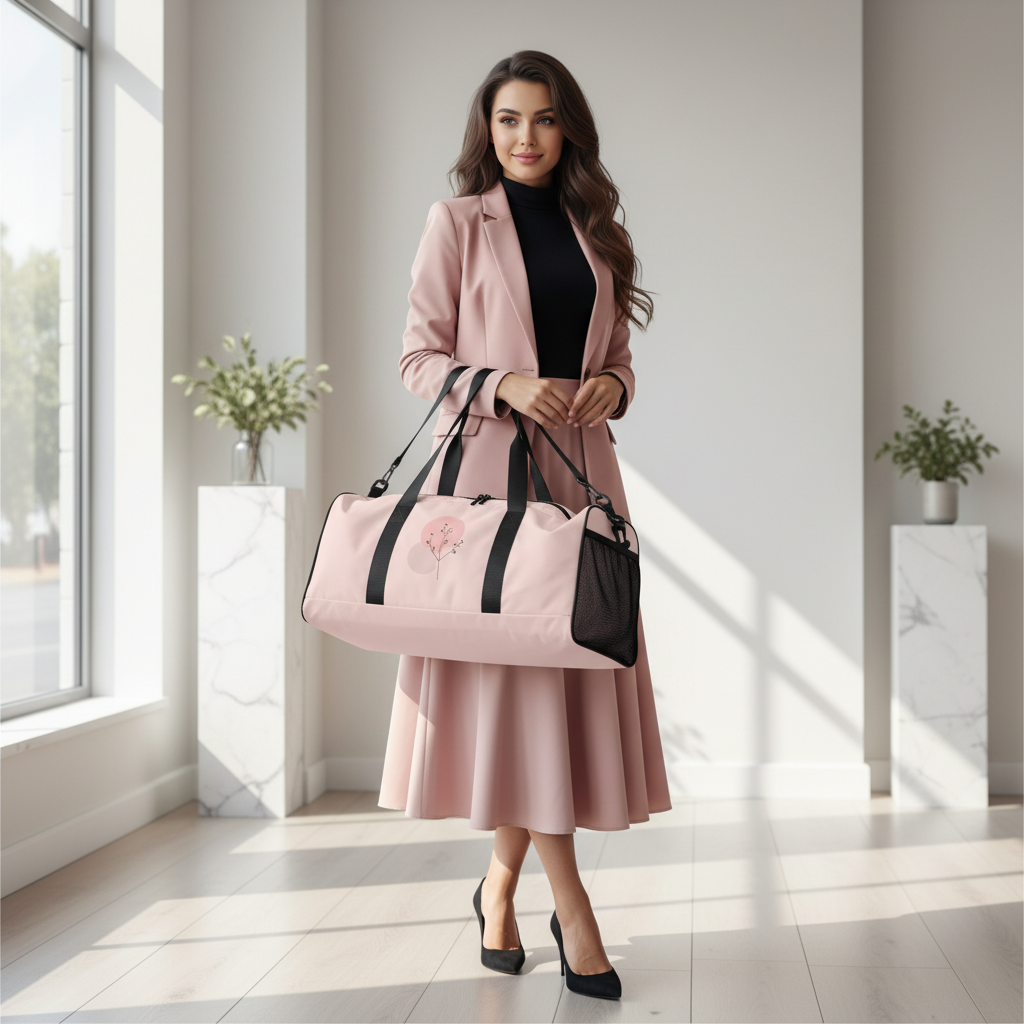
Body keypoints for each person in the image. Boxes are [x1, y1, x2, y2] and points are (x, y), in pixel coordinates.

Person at [378, 50, 671, 1001]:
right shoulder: (457, 223)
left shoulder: (598, 230)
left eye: (543, 120)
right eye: (508, 120)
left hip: (584, 482)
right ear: (487, 129)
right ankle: (574, 907)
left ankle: (499, 889)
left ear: (568, 128)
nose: (525, 138)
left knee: (555, 691)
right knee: (522, 694)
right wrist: (504, 383)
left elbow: (620, 355)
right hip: (489, 488)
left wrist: (609, 388)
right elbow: (419, 358)